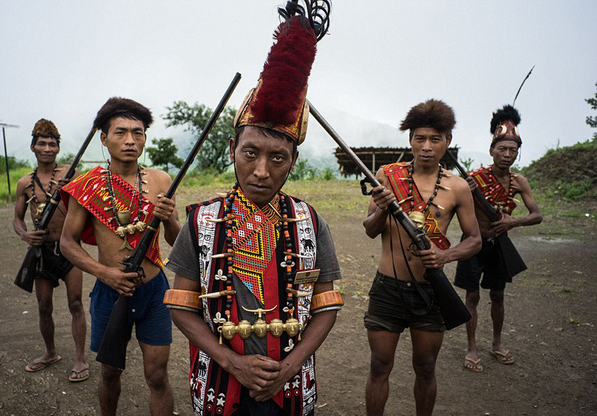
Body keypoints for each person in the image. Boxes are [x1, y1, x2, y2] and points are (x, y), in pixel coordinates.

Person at [165, 11, 343, 416]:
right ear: (232, 151)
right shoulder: (201, 222)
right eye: (250, 153)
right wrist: (232, 363)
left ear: (294, 160)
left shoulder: (311, 223)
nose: (262, 171)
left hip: (292, 388)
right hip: (219, 385)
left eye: (277, 157)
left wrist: (289, 367)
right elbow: (181, 304)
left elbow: (326, 304)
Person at [60, 98, 181, 416]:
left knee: (157, 376)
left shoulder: (161, 181)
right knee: (110, 372)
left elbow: (176, 241)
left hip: (154, 290)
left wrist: (170, 219)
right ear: (104, 137)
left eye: (138, 133)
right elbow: (67, 244)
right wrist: (104, 273)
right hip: (109, 291)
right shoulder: (86, 187)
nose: (130, 140)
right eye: (121, 132)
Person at [363, 99, 482, 416]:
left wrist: (444, 256)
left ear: (448, 141)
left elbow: (474, 240)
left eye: (435, 139)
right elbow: (371, 229)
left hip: (430, 292)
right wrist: (384, 208)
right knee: (379, 365)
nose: (426, 147)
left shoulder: (457, 187)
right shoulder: (387, 176)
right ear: (410, 139)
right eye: (420, 138)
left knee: (426, 368)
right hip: (387, 288)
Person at [454, 105, 542, 372]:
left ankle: (496, 343)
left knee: (499, 295)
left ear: (517, 153)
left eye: (511, 150)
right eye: (501, 149)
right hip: (474, 243)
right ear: (491, 150)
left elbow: (536, 215)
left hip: (499, 245)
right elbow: (457, 206)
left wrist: (514, 221)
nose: (506, 155)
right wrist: (466, 191)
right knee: (472, 297)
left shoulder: (519, 182)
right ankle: (471, 348)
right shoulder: (474, 179)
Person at [13, 118, 89, 382]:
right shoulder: (25, 183)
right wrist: (26, 235)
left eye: (52, 144)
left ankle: (80, 360)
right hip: (41, 251)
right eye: (42, 143)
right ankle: (50, 353)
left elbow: (88, 208)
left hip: (69, 249)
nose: (47, 148)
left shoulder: (72, 174)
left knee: (76, 304)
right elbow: (17, 219)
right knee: (43, 306)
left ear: (58, 148)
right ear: (33, 147)